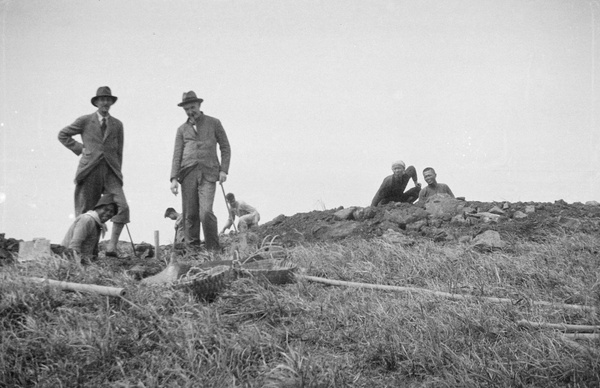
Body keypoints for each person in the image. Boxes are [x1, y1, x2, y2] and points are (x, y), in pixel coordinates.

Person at [58, 86, 130, 257]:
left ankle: (112, 247)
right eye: (102, 100)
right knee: (87, 211)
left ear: (111, 103)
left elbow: (119, 151)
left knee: (123, 206)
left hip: (111, 171)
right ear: (96, 102)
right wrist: (80, 149)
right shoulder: (85, 121)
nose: (105, 103)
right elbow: (63, 135)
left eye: (108, 100)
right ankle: (81, 252)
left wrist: (117, 172)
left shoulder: (117, 124)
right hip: (90, 170)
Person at [170, 91, 231, 251]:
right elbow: (177, 155)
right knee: (190, 215)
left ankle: (213, 250)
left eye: (193, 107)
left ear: (199, 105)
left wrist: (223, 170)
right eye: (187, 109)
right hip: (187, 174)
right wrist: (173, 178)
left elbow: (225, 147)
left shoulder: (214, 123)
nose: (190, 111)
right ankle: (193, 252)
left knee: (205, 213)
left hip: (209, 173)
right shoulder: (181, 130)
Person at [62, 194, 118, 263]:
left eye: (112, 212)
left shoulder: (98, 223)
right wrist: (76, 266)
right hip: (69, 261)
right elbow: (74, 246)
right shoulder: (87, 220)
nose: (108, 213)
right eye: (106, 209)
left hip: (84, 262)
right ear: (97, 208)